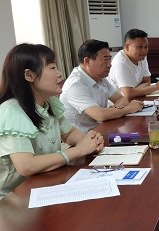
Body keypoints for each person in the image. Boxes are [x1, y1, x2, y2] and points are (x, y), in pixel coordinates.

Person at [0, 44, 105, 199]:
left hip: (43, 183)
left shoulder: (49, 102)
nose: (59, 73)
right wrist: (78, 151)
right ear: (29, 75)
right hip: (13, 198)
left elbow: (68, 133)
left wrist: (90, 141)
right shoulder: (11, 111)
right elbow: (26, 166)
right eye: (52, 68)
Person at [61, 39, 144, 132]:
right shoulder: (75, 85)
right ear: (87, 61)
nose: (109, 65)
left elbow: (121, 99)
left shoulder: (100, 77)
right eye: (105, 60)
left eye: (110, 59)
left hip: (100, 130)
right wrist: (128, 109)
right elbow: (100, 115)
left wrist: (115, 109)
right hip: (81, 137)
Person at [107, 28, 159, 101]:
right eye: (140, 47)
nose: (144, 51)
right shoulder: (121, 63)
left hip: (135, 99)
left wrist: (134, 91)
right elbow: (128, 95)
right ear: (127, 47)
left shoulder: (141, 57)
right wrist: (156, 87)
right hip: (119, 104)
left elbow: (147, 81)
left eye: (146, 47)